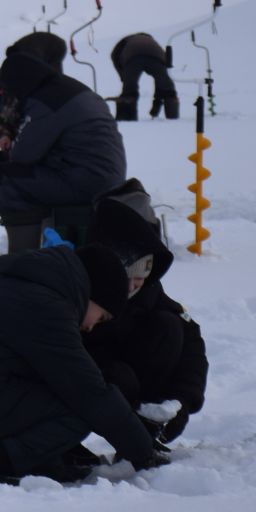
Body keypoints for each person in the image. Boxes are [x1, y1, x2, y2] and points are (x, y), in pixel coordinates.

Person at [0, 244, 170, 483]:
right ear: (93, 294)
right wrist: (143, 454)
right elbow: (88, 393)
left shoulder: (32, 288)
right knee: (79, 408)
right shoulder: (45, 307)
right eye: (102, 316)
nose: (93, 326)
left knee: (60, 392)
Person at [86, 180, 207, 444]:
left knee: (168, 326)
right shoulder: (80, 285)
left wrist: (183, 399)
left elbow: (191, 341)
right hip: (89, 386)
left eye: (139, 280)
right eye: (125, 278)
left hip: (130, 389)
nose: (131, 288)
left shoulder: (151, 293)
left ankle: (149, 424)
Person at [0, 37, 128, 253]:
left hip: (88, 181)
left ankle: (24, 254)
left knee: (4, 179)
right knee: (20, 175)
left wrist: (1, 162)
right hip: (103, 176)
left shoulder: (46, 101)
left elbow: (24, 155)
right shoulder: (70, 88)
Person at [110, 33, 179, 121]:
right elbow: (160, 83)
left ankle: (127, 117)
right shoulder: (151, 41)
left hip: (133, 56)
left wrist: (124, 76)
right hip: (156, 56)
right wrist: (156, 105)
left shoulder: (124, 41)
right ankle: (172, 114)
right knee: (166, 86)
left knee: (129, 89)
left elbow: (114, 55)